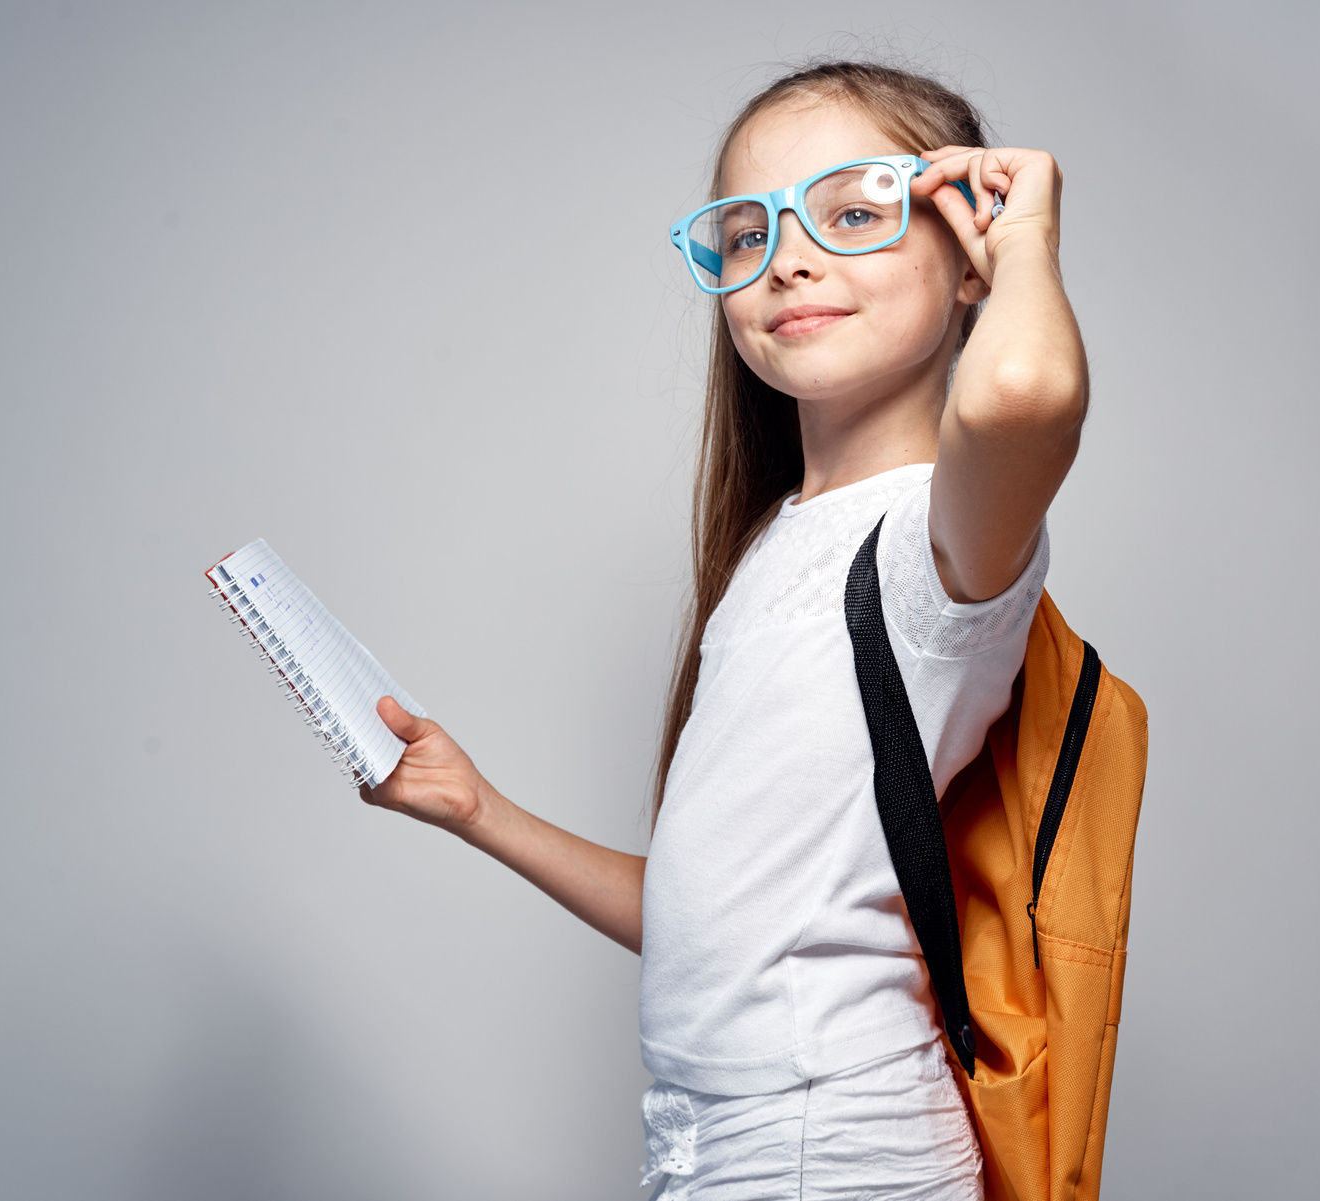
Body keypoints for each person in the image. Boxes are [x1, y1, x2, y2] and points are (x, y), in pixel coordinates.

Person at [360, 60, 1088, 1199]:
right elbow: (715, 928)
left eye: (853, 212)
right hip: (717, 1138)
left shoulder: (932, 539)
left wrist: (1029, 238)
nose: (789, 256)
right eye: (748, 234)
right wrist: (480, 812)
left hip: (831, 1144)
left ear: (965, 259)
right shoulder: (771, 546)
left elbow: (1025, 398)